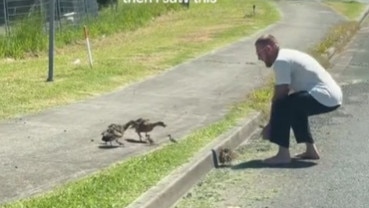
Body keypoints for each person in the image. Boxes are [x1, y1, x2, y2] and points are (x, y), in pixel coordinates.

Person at [254, 34, 343, 165]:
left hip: (324, 96)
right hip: (331, 96)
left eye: (259, 53)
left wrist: (271, 124)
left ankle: (283, 155)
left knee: (282, 106)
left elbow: (280, 94)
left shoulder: (281, 61)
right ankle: (311, 151)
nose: (258, 58)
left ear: (268, 49)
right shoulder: (287, 55)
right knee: (295, 106)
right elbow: (287, 91)